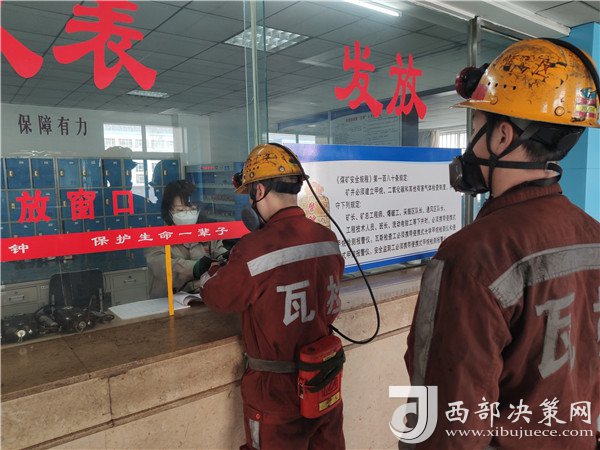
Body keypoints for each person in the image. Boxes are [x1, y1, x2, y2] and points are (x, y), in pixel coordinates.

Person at [402, 39, 599, 450]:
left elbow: (449, 427)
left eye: (476, 127)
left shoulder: (470, 257)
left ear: (502, 136)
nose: (469, 145)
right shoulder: (593, 234)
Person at [198, 143, 345, 450]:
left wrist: (208, 272)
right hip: (323, 382)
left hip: (275, 396)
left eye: (251, 194)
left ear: (260, 190)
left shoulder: (254, 248)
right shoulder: (328, 239)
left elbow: (218, 296)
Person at [144, 180, 228, 298]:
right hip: (167, 301)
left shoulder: (205, 233)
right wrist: (195, 268)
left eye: (192, 209)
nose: (187, 214)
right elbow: (163, 267)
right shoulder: (157, 237)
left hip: (201, 299)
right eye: (180, 210)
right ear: (169, 211)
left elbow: (218, 250)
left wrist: (227, 257)